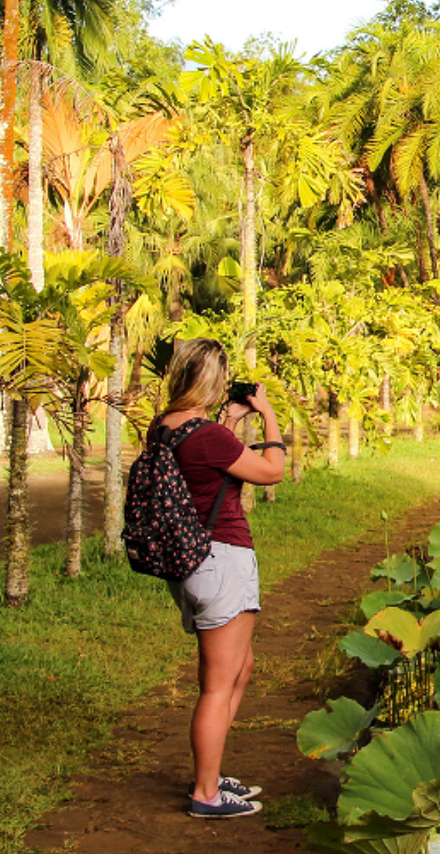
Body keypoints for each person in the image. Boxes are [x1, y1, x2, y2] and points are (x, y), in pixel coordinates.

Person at [156, 339, 286, 819]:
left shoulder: (166, 428)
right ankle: (205, 793)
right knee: (216, 684)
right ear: (212, 381)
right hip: (222, 560)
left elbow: (205, 468)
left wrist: (230, 423)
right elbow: (272, 471)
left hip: (190, 563)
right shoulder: (207, 437)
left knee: (239, 666)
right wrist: (267, 414)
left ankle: (210, 772)